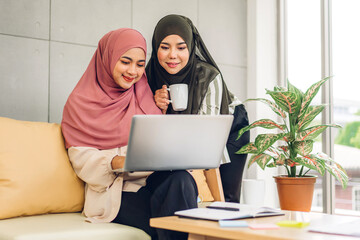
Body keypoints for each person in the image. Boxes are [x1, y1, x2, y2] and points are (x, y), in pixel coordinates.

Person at [61, 28, 198, 240]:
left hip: (150, 180)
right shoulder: (79, 103)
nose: (133, 71)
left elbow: (158, 144)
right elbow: (80, 160)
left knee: (182, 180)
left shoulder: (144, 97)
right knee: (167, 217)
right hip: (114, 192)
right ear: (108, 58)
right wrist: (116, 161)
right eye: (125, 62)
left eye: (140, 65)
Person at [146, 14, 250, 203]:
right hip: (187, 135)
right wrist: (155, 105)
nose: (172, 55)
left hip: (229, 126)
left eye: (181, 47)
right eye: (164, 47)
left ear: (191, 47)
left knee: (227, 196)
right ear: (155, 47)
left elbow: (206, 137)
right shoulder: (149, 76)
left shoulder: (209, 76)